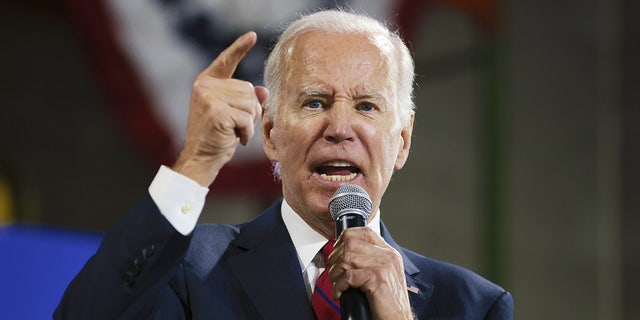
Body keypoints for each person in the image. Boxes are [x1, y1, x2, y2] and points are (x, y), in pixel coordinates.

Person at [55, 9, 513, 320]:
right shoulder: (189, 266)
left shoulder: (471, 305)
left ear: (403, 141)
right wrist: (195, 162)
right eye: (314, 102)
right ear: (271, 134)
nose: (339, 127)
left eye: (367, 107)